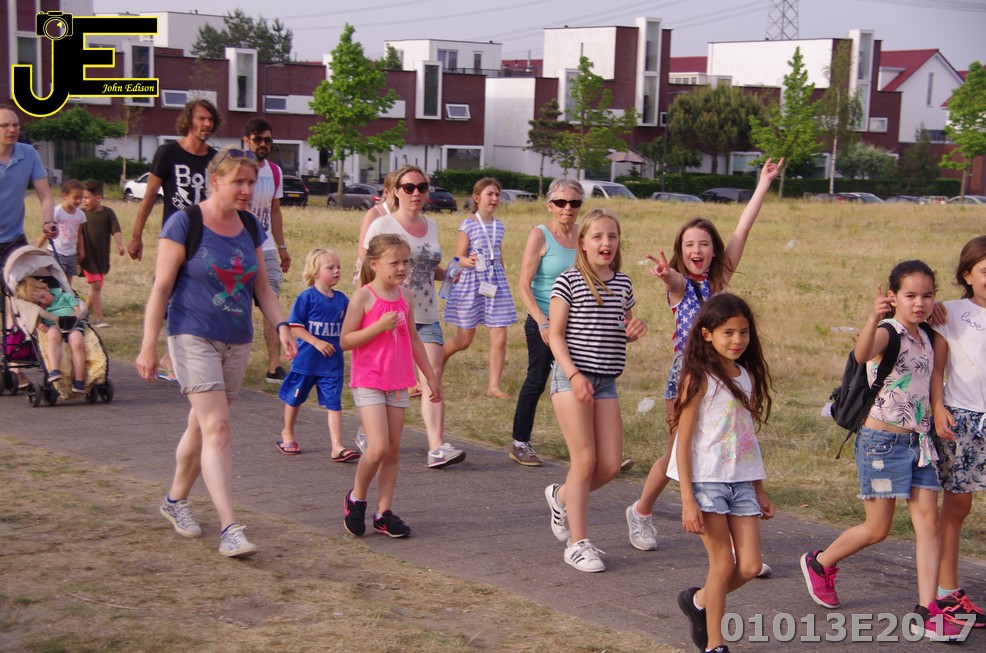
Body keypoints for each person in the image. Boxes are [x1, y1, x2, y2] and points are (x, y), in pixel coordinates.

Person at [136, 146, 296, 558]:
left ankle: (175, 500)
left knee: (202, 426)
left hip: (236, 338)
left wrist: (282, 325)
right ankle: (230, 528)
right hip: (192, 334)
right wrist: (149, 345)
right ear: (215, 181)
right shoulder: (184, 223)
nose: (246, 190)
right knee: (218, 428)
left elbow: (262, 287)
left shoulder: (250, 226)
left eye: (251, 182)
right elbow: (161, 288)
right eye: (238, 181)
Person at [626, 157, 782, 552]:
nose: (697, 249)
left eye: (704, 243)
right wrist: (665, 274)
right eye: (689, 245)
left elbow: (743, 229)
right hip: (688, 375)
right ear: (681, 252)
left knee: (729, 447)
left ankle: (736, 541)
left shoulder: (720, 281)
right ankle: (641, 511)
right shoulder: (681, 286)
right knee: (678, 452)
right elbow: (673, 280)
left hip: (725, 375)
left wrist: (763, 183)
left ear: (714, 250)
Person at [799, 261, 961, 641]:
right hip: (881, 444)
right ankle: (820, 563)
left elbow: (933, 384)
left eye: (927, 295)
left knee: (928, 524)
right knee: (877, 529)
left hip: (920, 444)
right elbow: (861, 354)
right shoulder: (888, 332)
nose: (919, 303)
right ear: (893, 297)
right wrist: (873, 318)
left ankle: (927, 609)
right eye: (910, 295)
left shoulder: (930, 338)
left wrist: (939, 411)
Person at [666, 293, 773, 653]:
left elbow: (747, 440)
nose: (737, 340)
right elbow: (683, 443)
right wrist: (687, 500)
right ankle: (715, 644)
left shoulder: (746, 377)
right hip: (707, 482)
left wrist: (759, 489)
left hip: (741, 482)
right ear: (707, 334)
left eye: (743, 332)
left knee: (751, 566)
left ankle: (699, 601)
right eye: (728, 333)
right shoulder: (698, 378)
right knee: (723, 563)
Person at [543, 209, 647, 572]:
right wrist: (573, 376)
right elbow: (555, 335)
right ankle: (578, 543)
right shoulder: (568, 281)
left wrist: (634, 330)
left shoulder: (624, 284)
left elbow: (621, 327)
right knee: (585, 461)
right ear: (583, 243)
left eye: (612, 236)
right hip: (570, 377)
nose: (606, 243)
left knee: (610, 466)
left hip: (606, 381)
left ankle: (561, 496)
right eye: (598, 236)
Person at [363, 165, 465, 468]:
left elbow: (427, 267)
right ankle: (368, 430)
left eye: (422, 187)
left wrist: (448, 274)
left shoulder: (431, 225)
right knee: (388, 380)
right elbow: (368, 268)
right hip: (391, 313)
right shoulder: (382, 226)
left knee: (433, 374)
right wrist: (368, 310)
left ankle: (436, 447)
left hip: (427, 312)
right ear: (396, 191)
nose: (416, 193)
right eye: (409, 187)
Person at [341, 233, 442, 538]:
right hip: (369, 380)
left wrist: (430, 376)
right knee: (378, 447)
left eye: (406, 262)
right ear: (374, 264)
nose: (402, 268)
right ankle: (356, 498)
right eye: (394, 262)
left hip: (398, 380)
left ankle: (383, 512)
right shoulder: (364, 297)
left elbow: (414, 339)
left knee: (394, 449)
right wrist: (376, 327)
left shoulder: (405, 296)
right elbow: (346, 340)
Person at [129, 98, 222, 383]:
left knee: (197, 297)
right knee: (165, 292)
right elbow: (150, 196)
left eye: (210, 120)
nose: (207, 124)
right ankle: (158, 352)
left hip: (205, 238)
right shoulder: (168, 153)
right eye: (202, 119)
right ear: (189, 120)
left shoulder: (215, 160)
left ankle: (178, 357)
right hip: (175, 237)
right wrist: (136, 235)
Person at [929, 235, 986, 628]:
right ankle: (946, 590)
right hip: (962, 420)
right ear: (967, 275)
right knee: (957, 507)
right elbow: (937, 369)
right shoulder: (950, 312)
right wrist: (937, 407)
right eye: (985, 271)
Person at [508, 178, 581, 467]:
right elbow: (523, 285)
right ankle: (519, 442)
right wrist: (542, 322)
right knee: (537, 378)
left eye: (574, 202)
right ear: (550, 205)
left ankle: (589, 446)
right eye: (561, 202)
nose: (568, 208)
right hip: (545, 320)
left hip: (576, 321)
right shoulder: (540, 235)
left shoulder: (583, 234)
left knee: (583, 379)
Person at [276, 248, 357, 462]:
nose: (337, 270)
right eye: (330, 267)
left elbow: (351, 325)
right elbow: (295, 325)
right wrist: (316, 342)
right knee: (295, 399)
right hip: (306, 362)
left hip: (331, 365)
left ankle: (337, 446)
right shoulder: (307, 297)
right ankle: (287, 433)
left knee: (334, 403)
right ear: (315, 272)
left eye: (338, 267)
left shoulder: (342, 300)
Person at [442, 177, 517, 398]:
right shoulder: (468, 225)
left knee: (500, 334)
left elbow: (498, 254)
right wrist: (470, 261)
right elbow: (458, 258)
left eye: (497, 195)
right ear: (477, 197)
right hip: (472, 283)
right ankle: (436, 361)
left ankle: (493, 387)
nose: (494, 198)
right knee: (464, 340)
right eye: (489, 194)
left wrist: (501, 275)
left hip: (494, 283)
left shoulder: (499, 226)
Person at [242, 117, 292, 384]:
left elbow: (275, 210)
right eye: (258, 139)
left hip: (267, 247)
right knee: (235, 303)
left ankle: (274, 366)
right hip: (238, 245)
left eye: (268, 140)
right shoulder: (236, 168)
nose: (263, 144)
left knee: (270, 299)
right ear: (246, 140)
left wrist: (282, 247)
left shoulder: (274, 172)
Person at [0, 104, 55, 275]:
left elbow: (45, 195)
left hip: (14, 240)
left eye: (15, 125)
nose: (12, 130)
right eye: (5, 125)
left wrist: (48, 221)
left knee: (26, 288)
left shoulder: (29, 154)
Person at [16, 277, 87, 394]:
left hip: (72, 325)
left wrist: (73, 317)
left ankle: (79, 379)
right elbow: (34, 317)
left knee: (77, 343)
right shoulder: (41, 308)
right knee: (52, 336)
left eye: (42, 297)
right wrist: (40, 325)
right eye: (39, 303)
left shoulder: (64, 296)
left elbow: (78, 310)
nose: (43, 302)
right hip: (53, 325)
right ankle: (54, 370)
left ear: (44, 287)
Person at [79, 180, 124, 328]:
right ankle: (99, 319)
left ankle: (82, 315)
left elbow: (116, 230)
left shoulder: (108, 213)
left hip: (102, 259)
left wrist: (119, 245)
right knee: (96, 286)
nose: (83, 201)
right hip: (88, 258)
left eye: (86, 197)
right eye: (82, 198)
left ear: (98, 198)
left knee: (95, 288)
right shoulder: (81, 214)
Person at [352, 171, 395, 289]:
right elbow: (362, 249)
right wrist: (376, 273)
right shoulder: (375, 213)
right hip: (372, 271)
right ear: (386, 192)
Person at [42, 179, 85, 286]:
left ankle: (67, 296)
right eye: (76, 198)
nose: (79, 201)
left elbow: (79, 234)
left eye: (81, 198)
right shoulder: (57, 212)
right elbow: (47, 233)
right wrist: (36, 248)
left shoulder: (81, 215)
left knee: (68, 284)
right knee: (55, 282)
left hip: (71, 253)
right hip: (56, 251)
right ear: (65, 195)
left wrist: (81, 250)